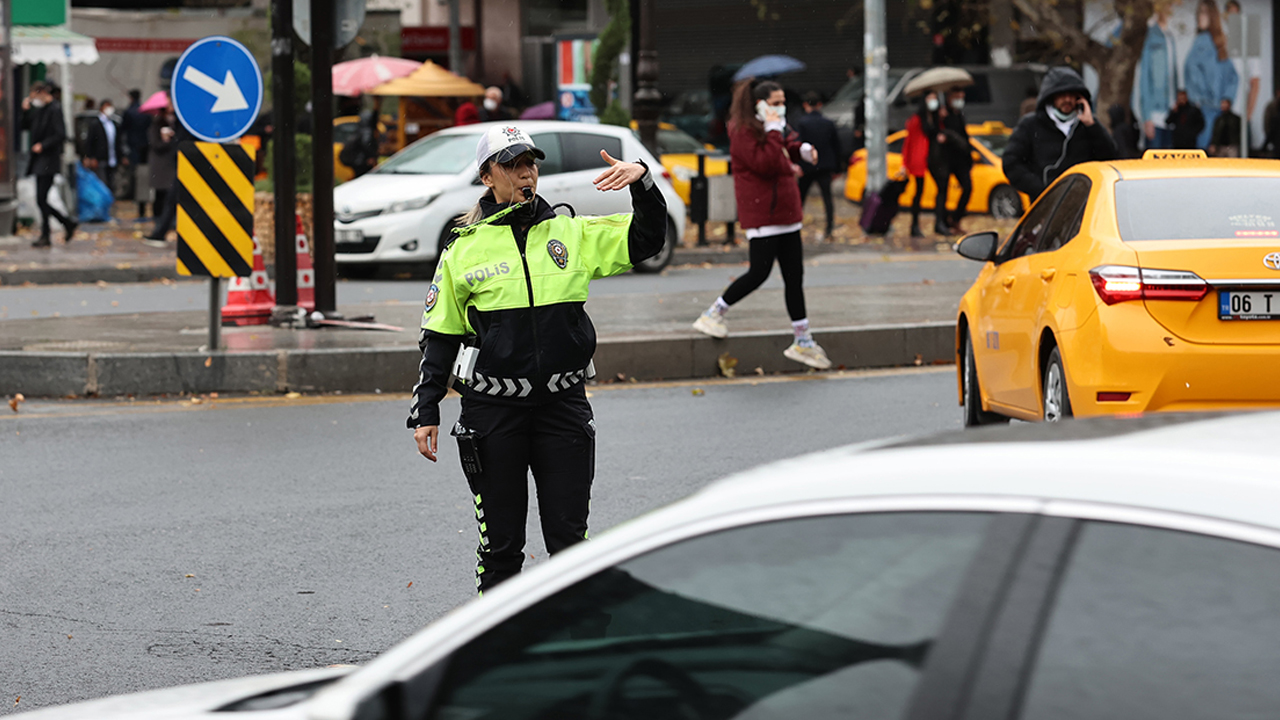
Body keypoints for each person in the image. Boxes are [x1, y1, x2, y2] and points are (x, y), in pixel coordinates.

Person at [407, 125, 667, 593]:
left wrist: (642, 181)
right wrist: (425, 409)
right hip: (492, 414)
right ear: (488, 176)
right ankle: (497, 652)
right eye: (512, 165)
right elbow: (439, 334)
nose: (526, 174)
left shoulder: (571, 232)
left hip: (562, 408)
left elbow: (646, 240)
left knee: (570, 542)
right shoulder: (462, 248)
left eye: (531, 164)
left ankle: (575, 648)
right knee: (501, 548)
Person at [691, 79, 831, 370]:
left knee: (794, 277)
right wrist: (774, 137)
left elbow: (788, 142)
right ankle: (713, 313)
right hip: (764, 214)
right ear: (759, 104)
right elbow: (766, 163)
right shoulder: (742, 131)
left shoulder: (776, 125)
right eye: (776, 102)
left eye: (783, 102)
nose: (781, 107)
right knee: (759, 273)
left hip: (787, 212)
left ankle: (803, 340)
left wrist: (802, 150)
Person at [1002, 67, 1118, 201]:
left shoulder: (1088, 125)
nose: (1067, 99)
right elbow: (1011, 163)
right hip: (1045, 206)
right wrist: (1042, 189)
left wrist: (1092, 125)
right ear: (1051, 96)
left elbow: (1111, 158)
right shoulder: (1030, 124)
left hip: (1083, 204)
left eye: (1072, 95)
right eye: (1062, 94)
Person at [23, 82, 76, 247]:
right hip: (40, 160)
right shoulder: (41, 110)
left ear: (42, 93)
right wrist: (25, 111)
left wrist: (43, 145)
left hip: (48, 160)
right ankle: (62, 225)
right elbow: (25, 126)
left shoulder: (54, 109)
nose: (33, 100)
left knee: (41, 198)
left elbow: (61, 134)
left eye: (34, 96)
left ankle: (57, 228)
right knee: (41, 199)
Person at [1185, 0, 1238, 149]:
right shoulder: (1213, 42)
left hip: (1207, 110)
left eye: (1204, 12)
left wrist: (1224, 98)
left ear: (1212, 15)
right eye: (1199, 13)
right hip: (1206, 109)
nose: (1200, 17)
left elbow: (1230, 76)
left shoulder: (1209, 42)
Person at [794, 91, 840, 241]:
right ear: (820, 105)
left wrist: (798, 164)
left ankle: (795, 226)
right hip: (825, 166)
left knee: (800, 198)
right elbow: (836, 146)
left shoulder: (802, 123)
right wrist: (837, 167)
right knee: (827, 198)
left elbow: (798, 145)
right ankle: (829, 227)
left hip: (807, 166)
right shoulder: (828, 123)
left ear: (805, 105)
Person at [929, 87, 972, 235]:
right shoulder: (941, 114)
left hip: (960, 160)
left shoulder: (958, 114)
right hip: (945, 160)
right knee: (943, 191)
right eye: (957, 96)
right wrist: (938, 117)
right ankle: (941, 222)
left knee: (967, 187)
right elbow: (933, 131)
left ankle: (954, 219)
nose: (960, 98)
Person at [1139, 7, 1178, 150]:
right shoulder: (1151, 36)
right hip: (1155, 113)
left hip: (1171, 113)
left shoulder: (1170, 36)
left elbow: (1173, 75)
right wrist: (1147, 117)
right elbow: (1144, 79)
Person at [145, 106, 182, 245]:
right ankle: (159, 229)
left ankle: (160, 231)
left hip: (171, 165)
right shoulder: (156, 126)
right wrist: (167, 140)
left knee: (170, 198)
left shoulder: (176, 123)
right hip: (161, 166)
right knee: (164, 197)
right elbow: (155, 144)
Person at [903, 92, 936, 238]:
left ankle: (917, 224)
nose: (933, 101)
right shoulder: (917, 120)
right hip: (918, 160)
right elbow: (909, 142)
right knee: (918, 193)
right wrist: (905, 163)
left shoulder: (934, 118)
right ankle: (914, 224)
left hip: (930, 159)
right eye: (930, 98)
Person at [84, 98, 126, 196]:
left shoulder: (114, 124)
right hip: (100, 159)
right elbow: (90, 142)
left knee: (112, 183)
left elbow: (118, 142)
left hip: (112, 159)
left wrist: (121, 156)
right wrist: (90, 157)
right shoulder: (95, 124)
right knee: (102, 183)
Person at [121, 89, 152, 216]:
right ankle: (142, 205)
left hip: (133, 147)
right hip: (145, 148)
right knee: (143, 177)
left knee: (134, 175)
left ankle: (135, 199)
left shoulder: (129, 112)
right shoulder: (145, 112)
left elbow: (123, 130)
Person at [339, 109, 380, 179]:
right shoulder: (367, 131)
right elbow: (367, 143)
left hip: (356, 161)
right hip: (361, 161)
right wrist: (371, 156)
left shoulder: (359, 130)